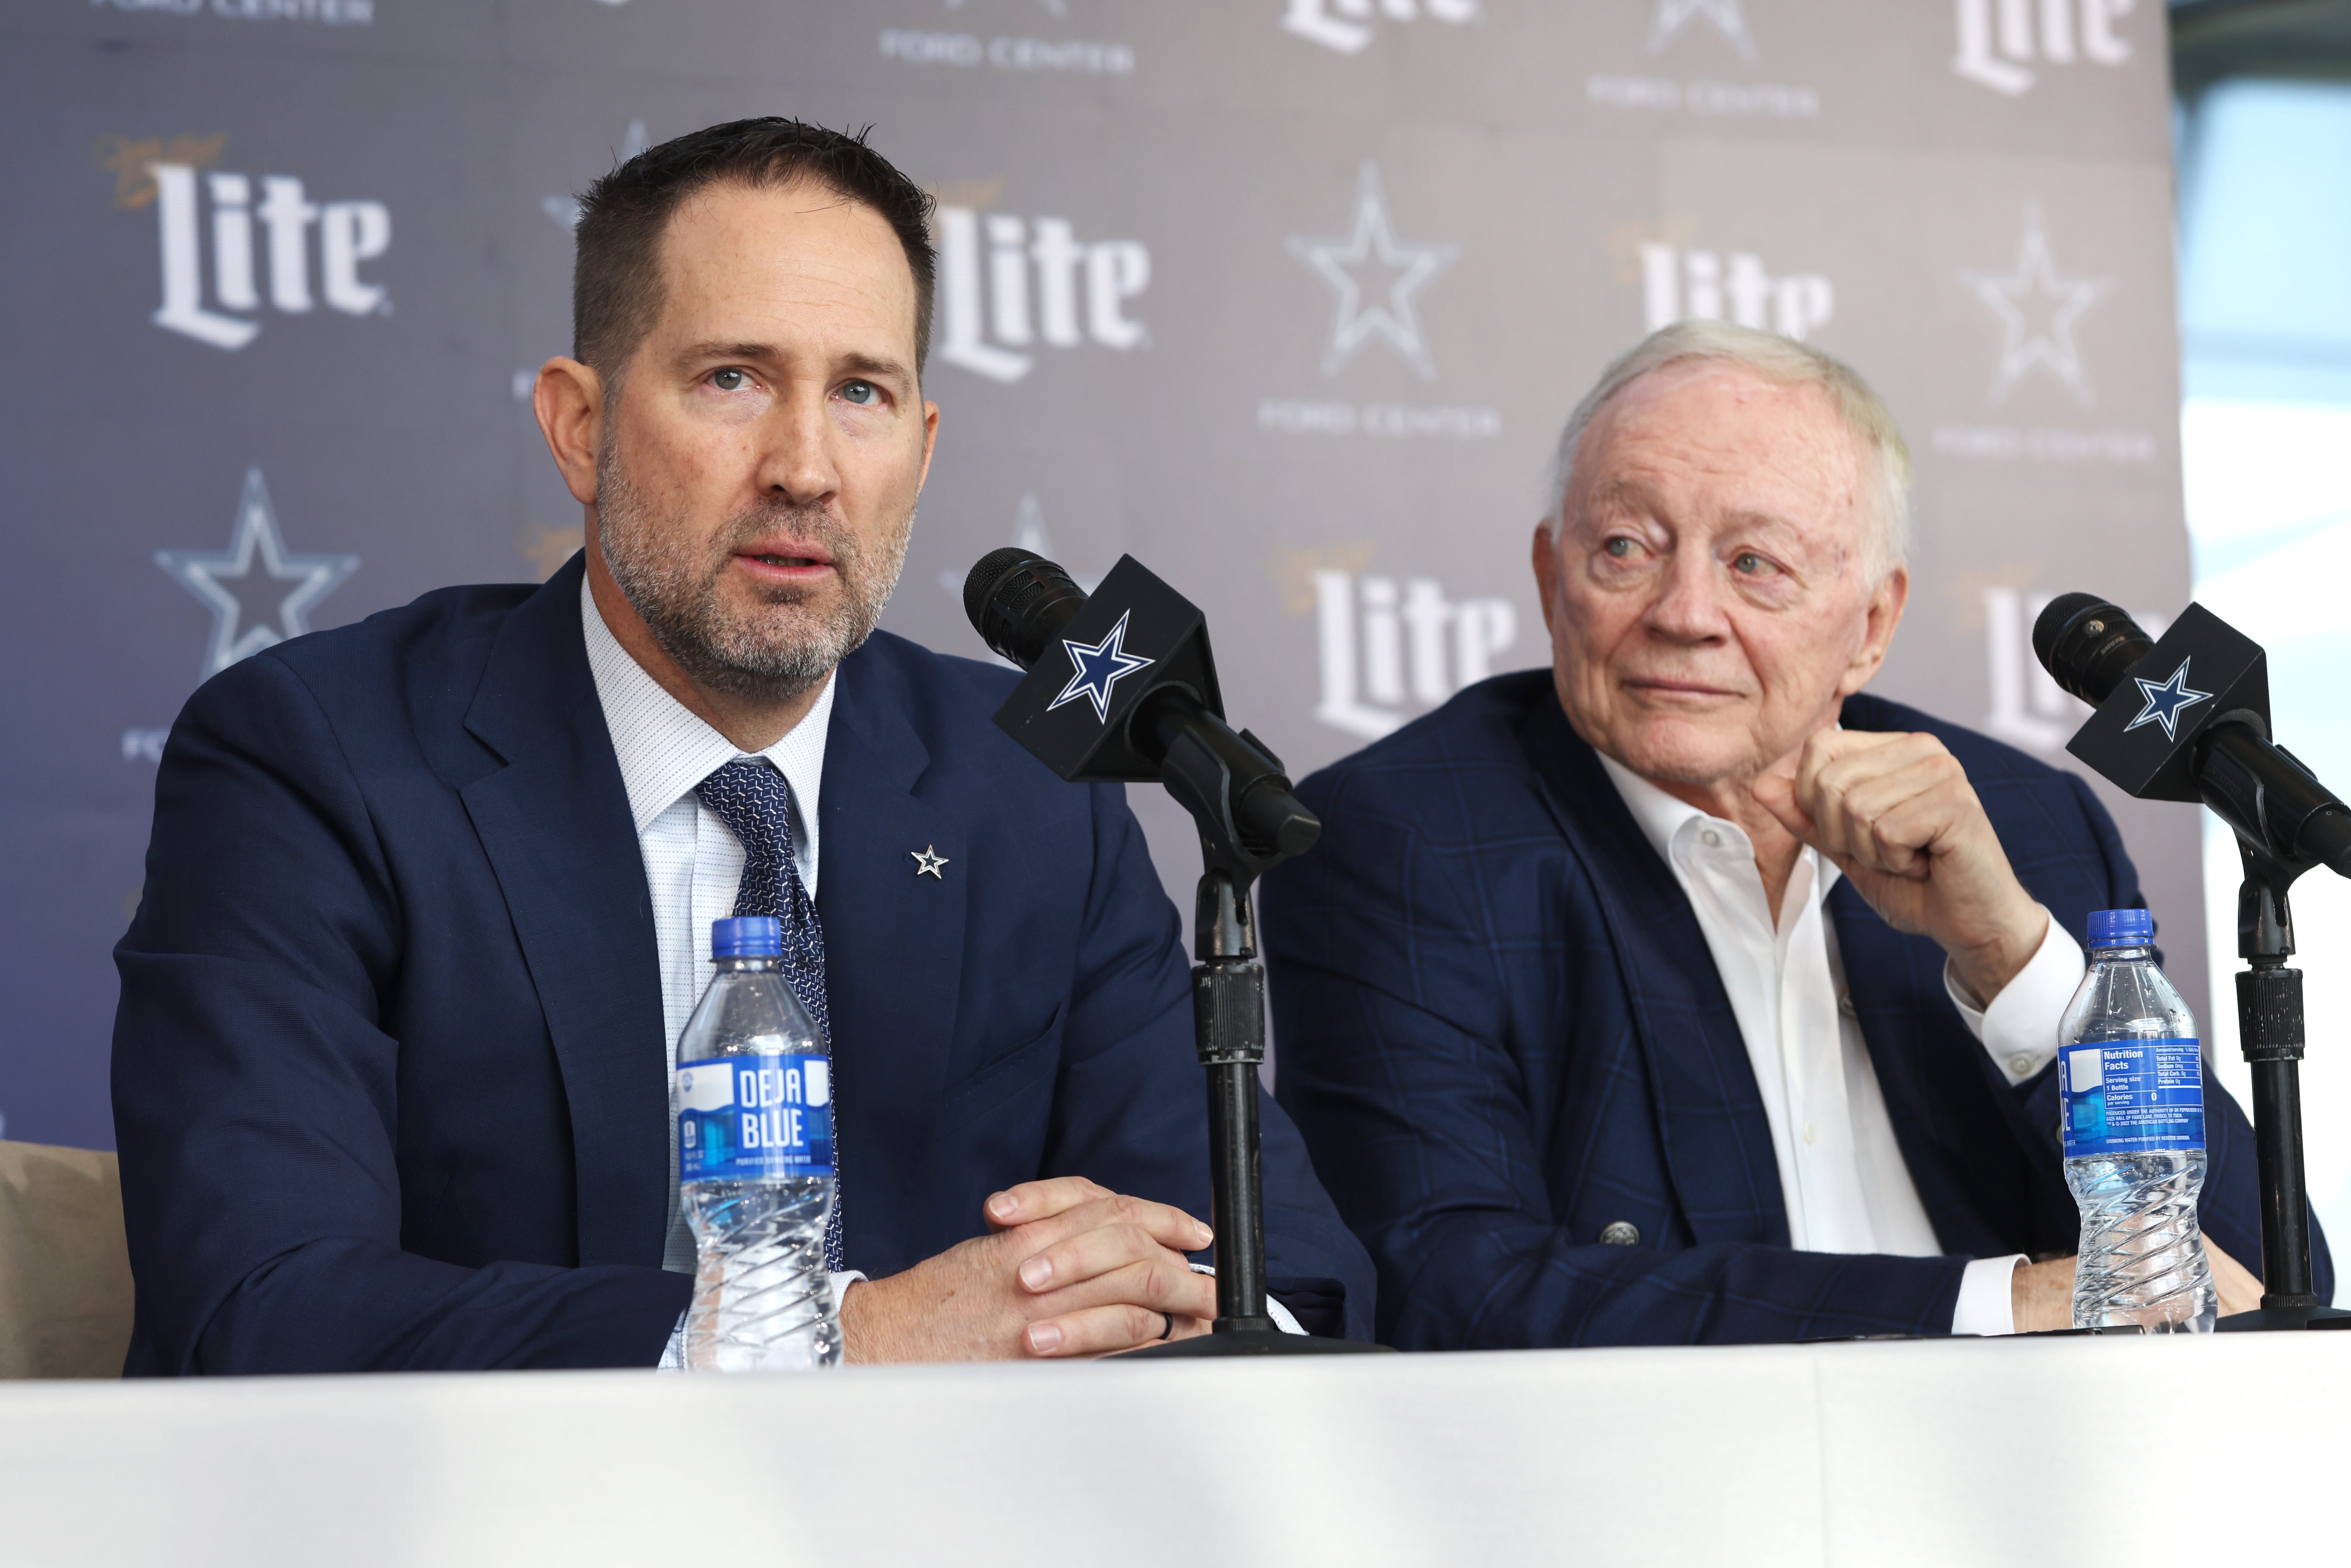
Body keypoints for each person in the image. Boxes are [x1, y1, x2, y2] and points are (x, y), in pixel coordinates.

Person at [112, 118, 1372, 1374]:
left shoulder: (1031, 795)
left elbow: (1290, 1276)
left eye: (860, 392)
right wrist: (835, 1341)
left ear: (921, 452)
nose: (806, 468)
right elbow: (260, 1302)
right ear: (577, 426)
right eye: (732, 378)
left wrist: (1147, 1295)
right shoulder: (318, 755)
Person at [1260, 321, 2322, 1347]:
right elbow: (1446, 1288)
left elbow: (2261, 1279)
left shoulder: (2027, 822)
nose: (1683, 612)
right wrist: (1998, 1310)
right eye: (1625, 547)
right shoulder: (1407, 837)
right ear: (1550, 578)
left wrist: (2013, 959)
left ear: (1870, 624)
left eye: (1754, 563)